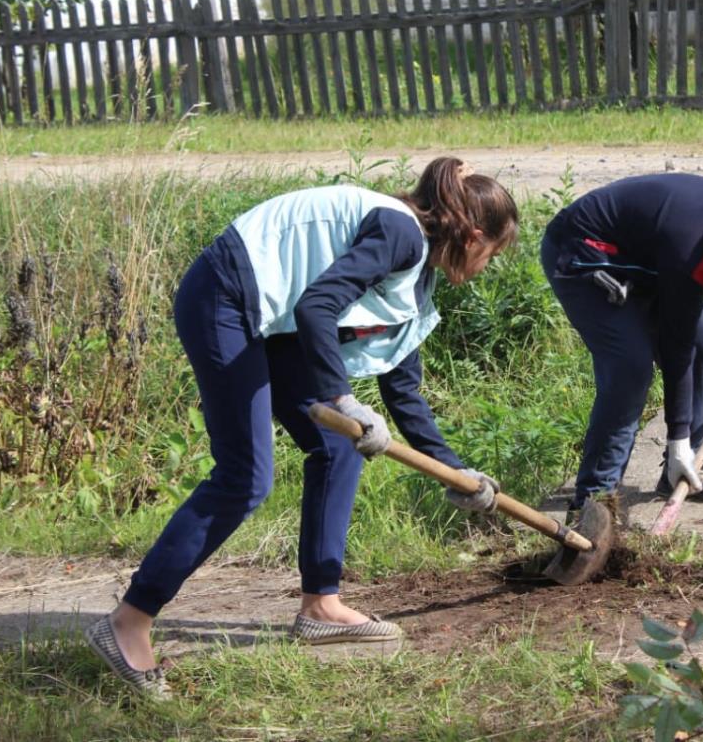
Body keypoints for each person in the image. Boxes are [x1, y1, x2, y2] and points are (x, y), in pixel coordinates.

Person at [86, 158, 518, 697]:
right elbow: (318, 305)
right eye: (492, 254)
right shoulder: (400, 232)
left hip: (274, 315)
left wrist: (456, 473)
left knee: (336, 448)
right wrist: (343, 398)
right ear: (475, 236)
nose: (486, 265)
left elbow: (402, 390)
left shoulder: (418, 277)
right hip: (227, 292)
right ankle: (128, 621)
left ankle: (321, 605)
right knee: (244, 477)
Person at [540, 174, 703, 518]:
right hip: (587, 254)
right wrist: (675, 438)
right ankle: (594, 500)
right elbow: (677, 346)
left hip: (647, 262)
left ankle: (689, 468)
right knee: (630, 367)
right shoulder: (689, 239)